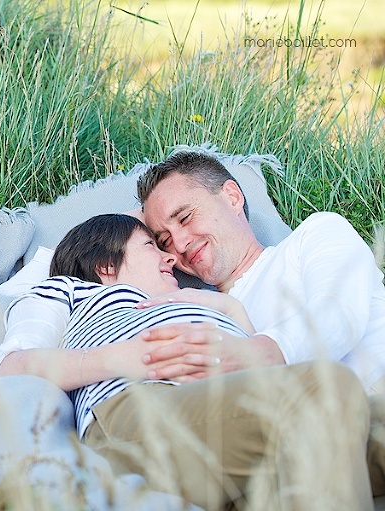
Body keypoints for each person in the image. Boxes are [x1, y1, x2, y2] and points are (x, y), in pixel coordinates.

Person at [0, 213, 372, 510]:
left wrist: (221, 306)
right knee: (326, 387)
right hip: (138, 411)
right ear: (106, 264)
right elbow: (12, 367)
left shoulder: (212, 301)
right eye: (151, 245)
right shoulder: (69, 290)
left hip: (232, 420)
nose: (171, 256)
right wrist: (123, 358)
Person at [135, 150, 385, 495]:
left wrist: (254, 354)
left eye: (186, 217)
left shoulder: (315, 235)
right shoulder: (205, 312)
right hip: (292, 450)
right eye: (162, 240)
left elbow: (339, 315)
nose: (179, 243)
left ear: (232, 196)